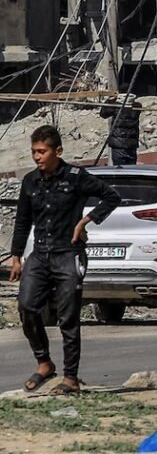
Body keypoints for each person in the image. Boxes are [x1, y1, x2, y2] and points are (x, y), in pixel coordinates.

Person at [9, 125, 121, 395]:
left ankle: (70, 378)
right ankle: (44, 362)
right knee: (27, 306)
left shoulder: (76, 177)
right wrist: (16, 257)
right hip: (40, 254)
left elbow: (111, 196)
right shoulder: (30, 182)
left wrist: (85, 221)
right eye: (34, 152)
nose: (37, 157)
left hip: (68, 254)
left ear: (57, 151)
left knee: (68, 317)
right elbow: (23, 220)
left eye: (42, 152)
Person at [99, 93, 142, 166]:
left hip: (118, 145)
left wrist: (109, 101)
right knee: (131, 170)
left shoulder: (116, 107)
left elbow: (103, 114)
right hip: (131, 145)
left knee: (119, 171)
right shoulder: (137, 106)